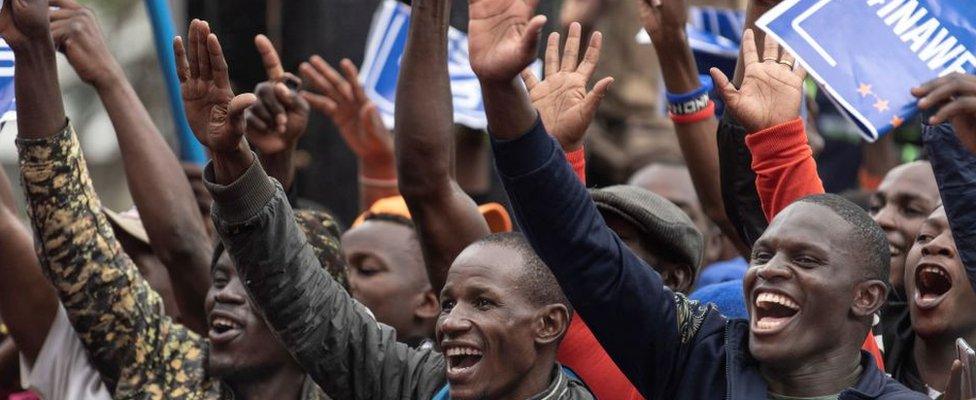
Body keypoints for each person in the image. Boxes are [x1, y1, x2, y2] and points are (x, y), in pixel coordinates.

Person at [464, 0, 921, 392]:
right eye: (760, 256)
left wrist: (782, 142)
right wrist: (508, 101)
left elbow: (824, 234)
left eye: (803, 263)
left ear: (866, 300)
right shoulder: (696, 372)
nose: (768, 271)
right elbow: (574, 246)